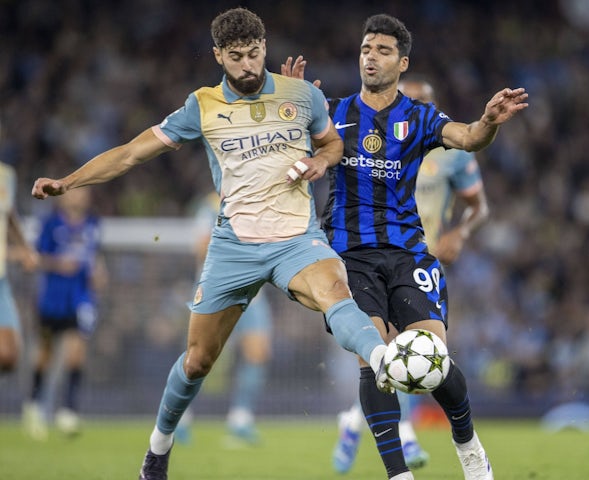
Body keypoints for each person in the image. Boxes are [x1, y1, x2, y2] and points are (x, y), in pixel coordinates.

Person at [31, 7, 394, 480]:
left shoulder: (301, 95)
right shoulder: (200, 106)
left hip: (296, 239)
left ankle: (385, 358)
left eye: (255, 53)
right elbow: (130, 154)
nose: (248, 65)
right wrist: (69, 182)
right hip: (233, 246)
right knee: (199, 360)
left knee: (335, 291)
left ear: (265, 46)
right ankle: (157, 450)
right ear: (220, 55)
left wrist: (322, 161)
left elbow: (331, 143)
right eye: (237, 57)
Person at [282, 13, 527, 480]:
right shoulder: (333, 111)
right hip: (348, 255)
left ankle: (469, 447)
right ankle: (399, 474)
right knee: (375, 360)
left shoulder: (419, 117)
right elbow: (290, 145)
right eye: (365, 49)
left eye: (383, 51)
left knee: (433, 361)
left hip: (408, 252)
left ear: (402, 62)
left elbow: (470, 138)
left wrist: (489, 121)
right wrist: (290, 109)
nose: (371, 57)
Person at [327, 74, 490, 473]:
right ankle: (401, 451)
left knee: (428, 356)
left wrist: (459, 232)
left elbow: (478, 206)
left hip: (415, 256)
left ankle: (356, 423)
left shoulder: (449, 151)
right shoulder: (360, 132)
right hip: (362, 256)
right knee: (381, 358)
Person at [175, 191, 273, 446]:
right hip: (215, 287)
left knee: (258, 351)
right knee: (198, 357)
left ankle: (241, 418)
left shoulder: (259, 200)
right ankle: (180, 416)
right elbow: (200, 247)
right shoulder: (209, 205)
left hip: (252, 290)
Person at [22, 187, 107, 440]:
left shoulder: (93, 223)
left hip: (81, 296)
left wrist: (100, 272)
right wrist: (59, 264)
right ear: (65, 196)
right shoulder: (50, 223)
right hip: (53, 296)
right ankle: (34, 405)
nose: (79, 197)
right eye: (75, 192)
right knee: (45, 352)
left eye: (83, 193)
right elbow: (37, 257)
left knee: (76, 352)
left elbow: (95, 256)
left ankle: (68, 410)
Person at [0, 159, 38, 373]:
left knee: (8, 354)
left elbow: (8, 213)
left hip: (0, 278)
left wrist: (24, 247)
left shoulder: (6, 175)